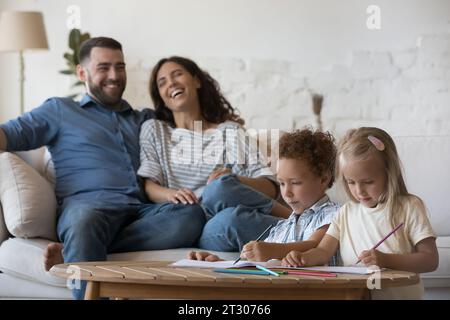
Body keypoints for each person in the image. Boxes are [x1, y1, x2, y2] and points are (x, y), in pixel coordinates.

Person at [0, 38, 205, 299]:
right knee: (83, 222)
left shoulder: (144, 119)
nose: (114, 75)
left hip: (140, 212)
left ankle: (76, 250)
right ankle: (81, 246)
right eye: (104, 67)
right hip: (88, 208)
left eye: (120, 67)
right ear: (82, 72)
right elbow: (9, 134)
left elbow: (191, 128)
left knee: (190, 215)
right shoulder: (60, 110)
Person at [141, 56, 291, 252]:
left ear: (197, 81)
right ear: (160, 96)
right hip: (186, 221)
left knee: (221, 195)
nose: (171, 83)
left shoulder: (229, 131)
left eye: (177, 74)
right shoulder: (155, 130)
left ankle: (300, 226)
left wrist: (235, 180)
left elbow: (270, 187)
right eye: (162, 82)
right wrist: (172, 194)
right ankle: (300, 222)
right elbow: (149, 184)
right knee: (222, 206)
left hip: (220, 219)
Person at [283, 127, 439, 299]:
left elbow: (430, 260)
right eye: (351, 182)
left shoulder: (409, 207)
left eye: (368, 182)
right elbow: (322, 252)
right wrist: (302, 258)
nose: (359, 191)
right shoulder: (345, 213)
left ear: (389, 174)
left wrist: (385, 260)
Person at [188, 128, 341, 264]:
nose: (286, 193)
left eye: (295, 183)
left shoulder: (334, 214)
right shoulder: (283, 227)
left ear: (323, 179)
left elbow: (315, 245)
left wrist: (272, 251)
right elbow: (256, 264)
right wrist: (217, 262)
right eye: (281, 183)